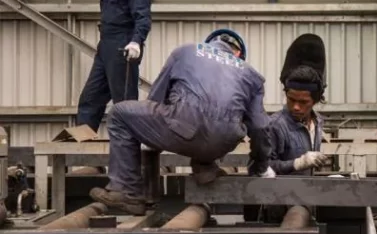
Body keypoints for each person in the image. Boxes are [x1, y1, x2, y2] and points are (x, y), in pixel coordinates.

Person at [89, 29, 270, 215]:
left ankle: (127, 191)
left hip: (183, 129)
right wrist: (259, 167)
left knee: (119, 114)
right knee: (214, 123)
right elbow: (260, 127)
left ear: (209, 44)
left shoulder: (186, 51)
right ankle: (205, 169)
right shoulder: (252, 75)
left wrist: (151, 136)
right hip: (222, 144)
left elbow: (156, 99)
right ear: (238, 55)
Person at [249, 33, 328, 234]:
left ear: (316, 99)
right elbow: (259, 169)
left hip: (307, 210)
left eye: (303, 102)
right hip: (280, 216)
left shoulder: (316, 122)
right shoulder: (274, 126)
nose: (296, 107)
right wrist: (297, 164)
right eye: (291, 100)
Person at [77, 0, 152, 133]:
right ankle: (83, 154)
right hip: (106, 48)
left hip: (123, 47)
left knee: (124, 104)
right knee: (89, 100)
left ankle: (128, 154)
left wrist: (136, 41)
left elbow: (142, 17)